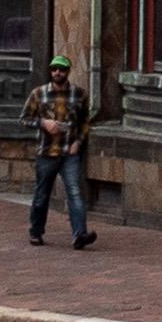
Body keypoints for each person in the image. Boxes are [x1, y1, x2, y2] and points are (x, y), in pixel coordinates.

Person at [27, 56, 98, 249]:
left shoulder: (79, 95)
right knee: (42, 194)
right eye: (55, 69)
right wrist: (43, 123)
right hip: (46, 152)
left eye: (62, 69)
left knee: (75, 192)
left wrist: (79, 142)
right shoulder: (38, 94)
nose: (58, 72)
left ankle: (79, 234)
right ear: (50, 71)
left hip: (69, 152)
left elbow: (84, 122)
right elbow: (24, 118)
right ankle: (36, 231)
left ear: (68, 71)